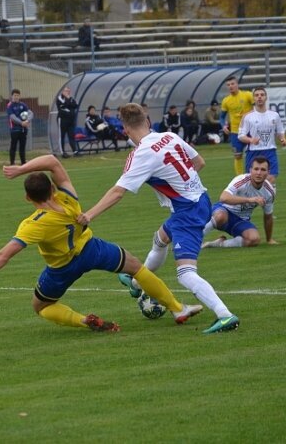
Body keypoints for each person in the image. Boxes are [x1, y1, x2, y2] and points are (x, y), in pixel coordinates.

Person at [0, 155, 203, 331]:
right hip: (92, 249)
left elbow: (3, 255)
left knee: (41, 307)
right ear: (52, 188)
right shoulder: (68, 197)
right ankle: (177, 308)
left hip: (62, 268)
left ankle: (83, 320)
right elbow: (52, 161)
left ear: (28, 198)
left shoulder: (33, 224)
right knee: (136, 267)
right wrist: (20, 169)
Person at [78, 103, 239, 335]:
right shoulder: (169, 136)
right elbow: (199, 162)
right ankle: (135, 283)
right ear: (147, 121)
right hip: (200, 199)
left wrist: (88, 215)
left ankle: (224, 315)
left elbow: (118, 192)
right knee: (160, 238)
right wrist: (183, 184)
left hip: (188, 211)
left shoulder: (141, 154)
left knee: (185, 274)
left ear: (125, 130)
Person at [202, 156, 277, 248]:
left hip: (241, 220)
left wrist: (269, 239)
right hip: (223, 210)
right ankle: (195, 239)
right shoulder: (241, 180)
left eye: (263, 170)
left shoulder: (269, 192)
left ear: (268, 172)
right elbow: (223, 198)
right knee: (220, 216)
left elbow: (268, 216)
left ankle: (219, 244)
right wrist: (250, 200)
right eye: (256, 169)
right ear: (250, 170)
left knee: (254, 239)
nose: (259, 173)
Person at [237, 87, 286, 184]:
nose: (259, 97)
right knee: (252, 181)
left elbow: (280, 131)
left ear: (266, 97)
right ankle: (254, 198)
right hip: (253, 152)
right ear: (254, 99)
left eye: (262, 95)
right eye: (256, 95)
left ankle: (268, 199)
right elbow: (241, 135)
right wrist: (251, 140)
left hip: (270, 150)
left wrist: (283, 138)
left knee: (271, 177)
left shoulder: (274, 115)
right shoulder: (247, 117)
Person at [220, 76, 254, 175]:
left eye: (232, 84)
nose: (231, 86)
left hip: (250, 131)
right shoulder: (226, 101)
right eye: (228, 85)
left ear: (237, 84)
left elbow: (257, 108)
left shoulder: (247, 95)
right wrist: (223, 126)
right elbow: (222, 117)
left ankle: (250, 174)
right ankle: (240, 178)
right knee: (237, 155)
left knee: (252, 154)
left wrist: (249, 114)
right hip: (235, 132)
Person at [7, 88, 31, 165]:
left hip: (23, 129)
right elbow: (12, 117)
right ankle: (12, 163)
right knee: (13, 146)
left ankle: (23, 163)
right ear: (12, 96)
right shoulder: (10, 105)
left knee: (22, 147)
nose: (16, 97)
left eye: (17, 95)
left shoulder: (23, 105)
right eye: (15, 95)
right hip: (14, 129)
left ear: (19, 96)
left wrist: (27, 121)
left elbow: (30, 113)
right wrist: (21, 123)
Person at [55, 86, 79, 158]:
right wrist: (68, 103)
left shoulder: (71, 98)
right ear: (63, 91)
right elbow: (62, 106)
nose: (67, 92)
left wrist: (68, 102)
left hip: (71, 120)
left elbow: (75, 105)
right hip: (62, 120)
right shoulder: (59, 98)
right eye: (66, 91)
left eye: (68, 91)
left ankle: (75, 151)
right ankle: (63, 152)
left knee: (71, 135)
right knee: (62, 136)